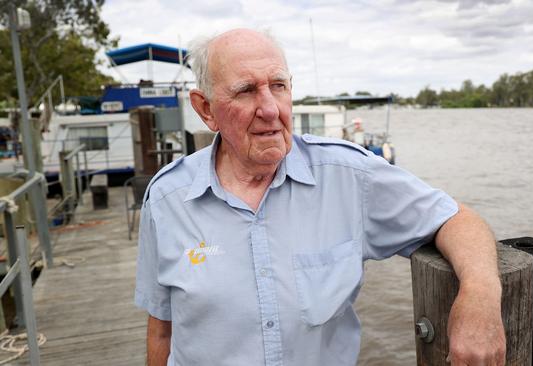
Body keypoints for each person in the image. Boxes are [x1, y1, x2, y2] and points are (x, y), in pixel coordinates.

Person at [135, 28, 506, 366]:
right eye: (246, 90)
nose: (269, 108)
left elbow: (454, 218)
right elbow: (162, 329)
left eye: (278, 86)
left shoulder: (348, 177)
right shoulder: (167, 199)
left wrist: (479, 297)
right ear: (205, 109)